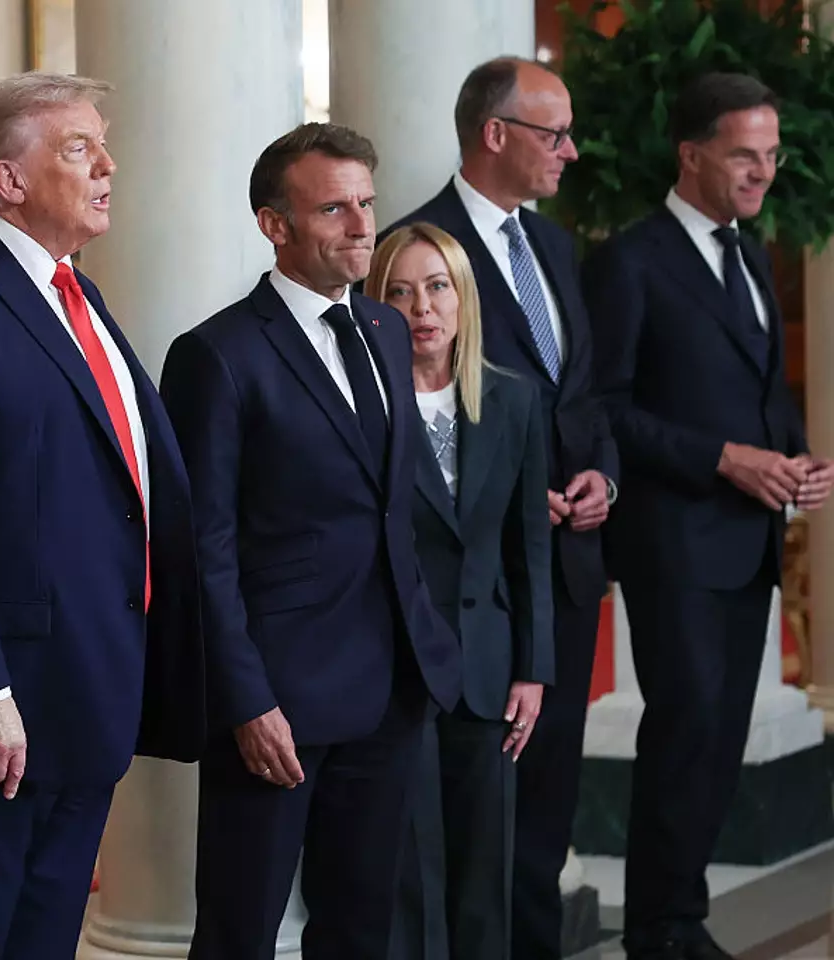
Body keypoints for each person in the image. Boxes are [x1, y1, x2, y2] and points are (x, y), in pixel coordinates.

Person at [0, 73, 205, 960]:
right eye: (78, 148)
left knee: (44, 940)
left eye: (103, 145)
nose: (109, 166)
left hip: (90, 687)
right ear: (8, 181)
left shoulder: (73, 294)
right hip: (4, 709)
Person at [161, 122, 462, 960]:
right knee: (239, 930)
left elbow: (389, 505)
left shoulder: (386, 331)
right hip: (278, 697)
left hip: (392, 683)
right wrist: (246, 700)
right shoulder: (216, 356)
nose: (364, 226)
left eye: (367, 203)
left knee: (363, 926)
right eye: (335, 208)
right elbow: (203, 550)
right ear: (275, 224)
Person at [584, 73, 832, 960]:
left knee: (718, 740)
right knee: (685, 734)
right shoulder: (631, 260)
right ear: (692, 155)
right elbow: (605, 407)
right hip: (673, 541)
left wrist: (794, 456)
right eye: (743, 154)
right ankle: (661, 931)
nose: (763, 171)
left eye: (770, 154)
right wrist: (725, 459)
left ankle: (679, 919)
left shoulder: (753, 252)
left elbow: (758, 386)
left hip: (745, 540)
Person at [388, 57, 617, 959]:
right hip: (456, 596)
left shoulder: (555, 245)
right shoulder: (417, 249)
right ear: (497, 134)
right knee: (451, 846)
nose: (570, 150)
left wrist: (601, 473)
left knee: (543, 809)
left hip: (556, 579)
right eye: (553, 132)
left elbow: (582, 394)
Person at [369, 223, 554, 960]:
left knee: (484, 874)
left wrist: (534, 667)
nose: (423, 307)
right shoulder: (364, 404)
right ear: (376, 303)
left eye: (438, 286)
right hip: (395, 669)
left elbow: (528, 544)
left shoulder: (514, 402)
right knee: (407, 882)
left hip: (488, 666)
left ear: (463, 297)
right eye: (401, 291)